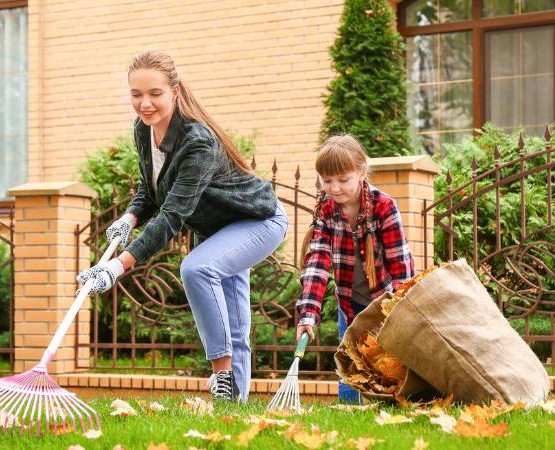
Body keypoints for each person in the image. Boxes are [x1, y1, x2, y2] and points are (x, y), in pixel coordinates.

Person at [76, 50, 288, 402]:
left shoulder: (197, 141)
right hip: (216, 229)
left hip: (257, 220)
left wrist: (117, 266)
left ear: (175, 91)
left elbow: (172, 215)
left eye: (155, 94)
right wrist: (128, 219)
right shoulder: (144, 132)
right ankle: (234, 410)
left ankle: (221, 374)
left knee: (197, 268)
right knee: (235, 327)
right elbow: (152, 189)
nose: (145, 104)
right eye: (136, 94)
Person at [295, 134, 415, 403]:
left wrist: (398, 313)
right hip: (349, 303)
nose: (335, 188)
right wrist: (308, 314)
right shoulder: (326, 210)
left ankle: (394, 407)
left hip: (386, 303)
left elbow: (400, 268)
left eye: (342, 179)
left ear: (361, 173)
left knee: (387, 362)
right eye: (327, 181)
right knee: (350, 363)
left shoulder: (384, 207)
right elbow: (317, 264)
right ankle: (348, 413)